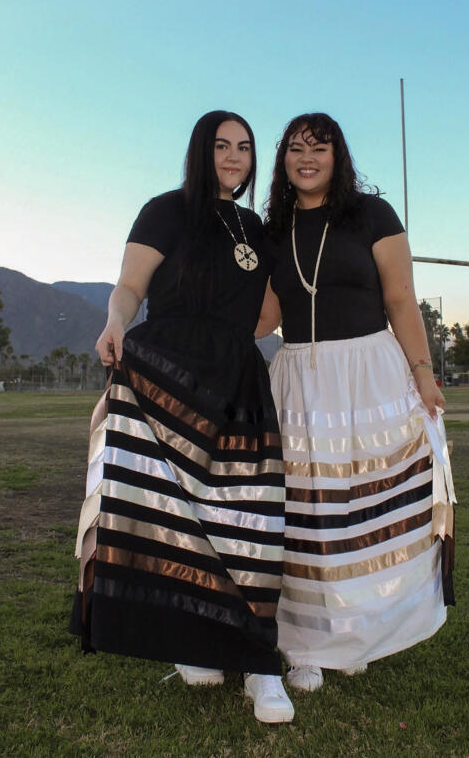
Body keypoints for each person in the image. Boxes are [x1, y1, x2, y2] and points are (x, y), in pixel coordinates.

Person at [70, 110, 294, 724]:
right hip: (166, 375)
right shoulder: (164, 209)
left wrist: (230, 337)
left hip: (236, 377)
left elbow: (270, 314)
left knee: (250, 514)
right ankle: (195, 641)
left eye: (244, 148)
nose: (233, 157)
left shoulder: (255, 228)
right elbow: (128, 287)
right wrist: (115, 322)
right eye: (222, 145)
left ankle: (259, 667)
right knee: (174, 513)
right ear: (201, 151)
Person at [256, 112, 456, 692]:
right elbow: (268, 316)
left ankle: (361, 630)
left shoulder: (373, 215)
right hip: (298, 376)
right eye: (296, 148)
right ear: (283, 161)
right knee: (307, 514)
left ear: (338, 156)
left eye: (319, 147)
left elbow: (401, 299)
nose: (307, 157)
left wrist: (423, 374)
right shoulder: (275, 228)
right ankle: (306, 647)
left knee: (365, 506)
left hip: (369, 372)